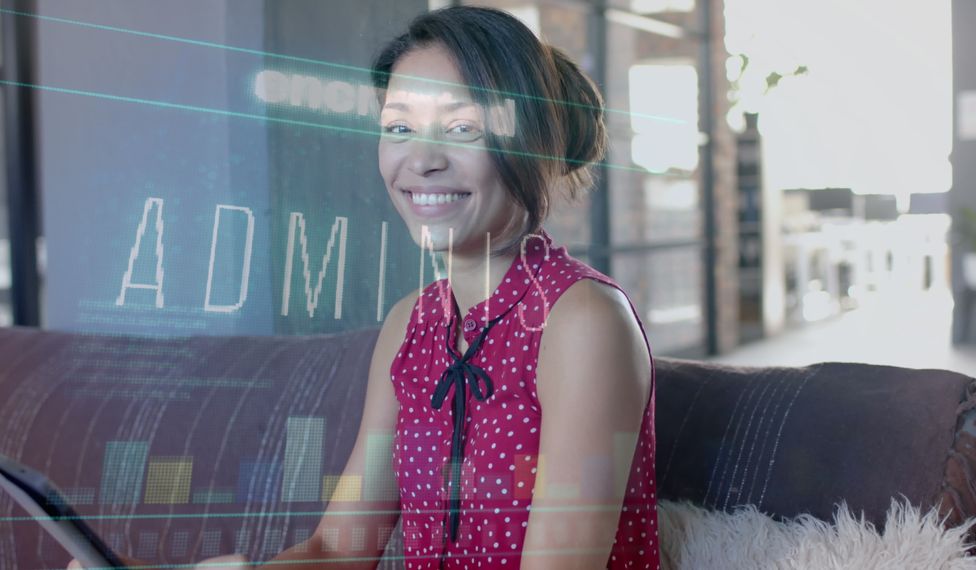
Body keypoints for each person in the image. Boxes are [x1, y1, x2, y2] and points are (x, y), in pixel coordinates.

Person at [73, 6, 659, 570]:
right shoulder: (412, 325)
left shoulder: (583, 319)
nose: (421, 160)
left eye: (462, 128)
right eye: (399, 126)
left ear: (531, 141)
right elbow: (339, 550)